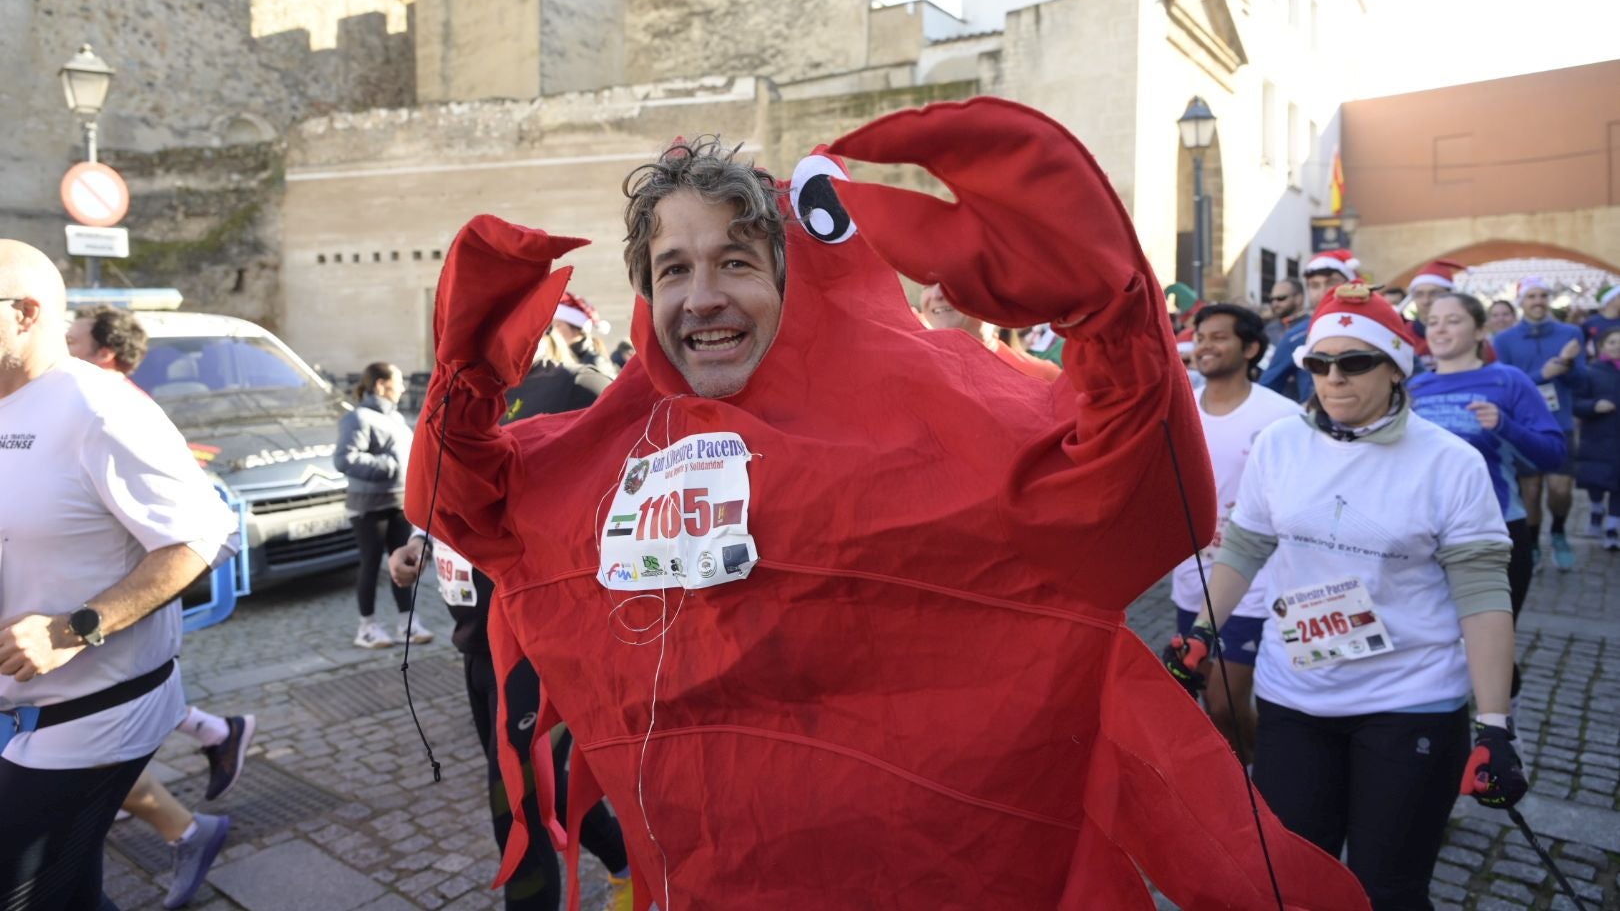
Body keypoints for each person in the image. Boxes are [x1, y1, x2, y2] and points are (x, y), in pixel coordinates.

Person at [402, 109, 1369, 910]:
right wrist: (468, 374)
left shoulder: (941, 419)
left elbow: (1137, 496)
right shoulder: (606, 453)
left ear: (792, 279)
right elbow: (467, 505)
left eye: (737, 262)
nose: (702, 296)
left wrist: (1107, 314)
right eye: (673, 269)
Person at [1164, 282, 1524, 910]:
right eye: (1319, 363)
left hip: (1410, 698)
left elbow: (1483, 595)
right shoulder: (1280, 444)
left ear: (1395, 370)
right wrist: (1201, 632)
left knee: (1389, 889)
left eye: (1355, 362)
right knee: (1296, 879)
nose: (1333, 378)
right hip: (1294, 695)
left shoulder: (1450, 463)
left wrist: (1494, 727)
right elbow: (1245, 549)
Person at [0, 240, 239, 911]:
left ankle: (193, 834)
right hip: (23, 717)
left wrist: (75, 628)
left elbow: (199, 537)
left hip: (93, 714)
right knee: (68, 892)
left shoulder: (99, 407)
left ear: (25, 313)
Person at [391, 301, 632, 911]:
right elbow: (447, 496)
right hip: (474, 635)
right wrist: (418, 543)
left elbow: (628, 498)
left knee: (514, 803)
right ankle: (625, 858)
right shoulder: (451, 400)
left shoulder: (580, 387)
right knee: (530, 786)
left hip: (541, 639)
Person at [65, 304, 255, 908]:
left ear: (104, 354)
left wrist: (91, 616)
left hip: (101, 630)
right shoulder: (70, 403)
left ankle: (194, 814)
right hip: (84, 647)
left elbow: (206, 535)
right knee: (89, 759)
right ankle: (214, 739)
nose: (61, 347)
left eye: (70, 339)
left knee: (93, 752)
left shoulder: (113, 410)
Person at [1408, 292, 1565, 708]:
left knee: (1491, 645)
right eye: (1434, 320)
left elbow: (1553, 453)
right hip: (1423, 536)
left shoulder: (1508, 380)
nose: (1439, 329)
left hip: (1497, 532)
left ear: (1480, 331)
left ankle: (1502, 743)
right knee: (1433, 644)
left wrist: (1505, 425)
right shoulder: (1413, 387)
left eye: (1453, 321)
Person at [1169, 303, 1299, 758]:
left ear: (1251, 348)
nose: (1205, 345)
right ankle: (1243, 782)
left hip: (1253, 581)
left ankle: (1257, 786)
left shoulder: (1281, 416)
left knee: (1225, 700)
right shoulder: (1179, 410)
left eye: (1218, 337)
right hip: (1191, 579)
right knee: (1207, 696)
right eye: (1200, 336)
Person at [335, 361, 431, 648]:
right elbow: (344, 459)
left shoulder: (396, 418)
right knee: (370, 563)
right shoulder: (358, 418)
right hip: (368, 507)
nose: (402, 387)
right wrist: (390, 466)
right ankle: (367, 628)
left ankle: (407, 623)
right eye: (397, 381)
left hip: (399, 502)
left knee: (403, 561)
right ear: (380, 384)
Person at [1492, 278, 1587, 570]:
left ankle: (1558, 530)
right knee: (1530, 490)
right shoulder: (1504, 339)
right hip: (1523, 426)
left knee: (1560, 489)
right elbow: (1504, 386)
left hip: (1559, 422)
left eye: (1543, 295)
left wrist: (1568, 365)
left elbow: (1580, 381)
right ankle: (1532, 542)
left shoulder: (1571, 334)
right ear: (1521, 301)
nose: (1538, 301)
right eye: (1531, 296)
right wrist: (1543, 374)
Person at [1261, 248, 1358, 402]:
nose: (1324, 291)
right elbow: (1267, 387)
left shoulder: (1374, 326)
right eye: (1314, 285)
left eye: (1332, 282)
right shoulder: (1297, 336)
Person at [920, 280, 1061, 382]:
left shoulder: (1043, 376)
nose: (936, 294)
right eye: (927, 283)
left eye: (952, 282)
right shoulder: (911, 370)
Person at [1574, 326, 1620, 553]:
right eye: (1612, 342)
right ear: (1601, 346)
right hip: (1598, 438)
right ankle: (1595, 509)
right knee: (1597, 481)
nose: (1617, 347)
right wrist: (1594, 406)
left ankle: (1612, 528)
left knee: (1618, 486)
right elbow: (1577, 404)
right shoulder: (1590, 372)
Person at [1264, 276, 1306, 346]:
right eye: (1272, 299)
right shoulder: (1269, 329)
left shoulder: (1312, 326)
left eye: (1281, 298)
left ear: (1298, 299)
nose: (1275, 304)